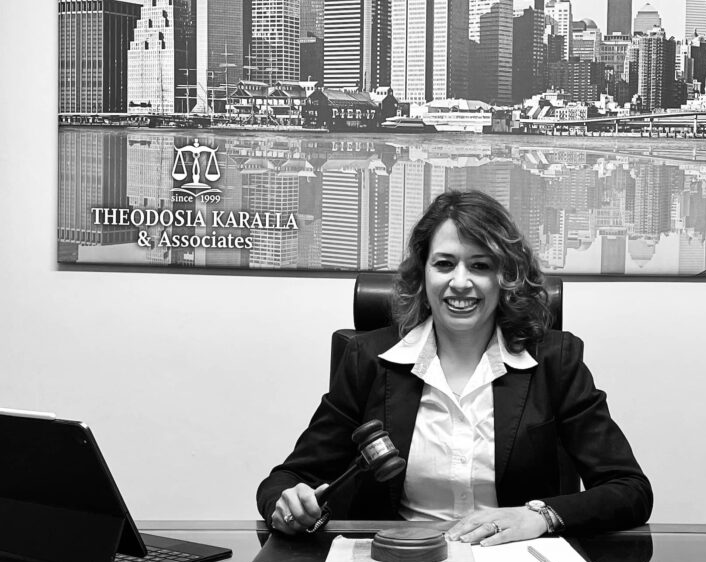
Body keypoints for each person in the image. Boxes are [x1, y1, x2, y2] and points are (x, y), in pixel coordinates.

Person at [257, 190, 652, 544]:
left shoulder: (554, 361)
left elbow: (630, 490)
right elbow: (285, 481)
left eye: (480, 266)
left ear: (505, 277)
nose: (460, 282)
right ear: (423, 274)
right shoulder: (369, 361)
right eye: (444, 264)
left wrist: (540, 516)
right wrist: (288, 504)